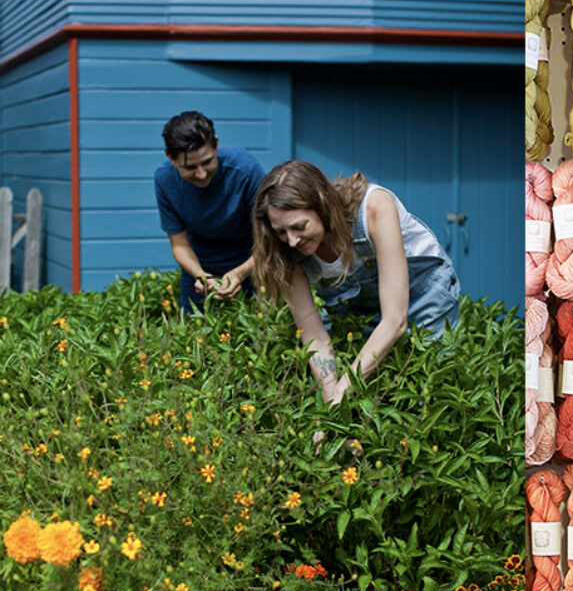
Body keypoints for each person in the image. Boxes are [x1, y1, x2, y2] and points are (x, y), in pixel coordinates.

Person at [251, 160, 460, 404]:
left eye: (299, 227)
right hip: (361, 303)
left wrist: (343, 390)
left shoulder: (374, 208)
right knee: (373, 392)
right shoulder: (286, 250)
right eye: (281, 232)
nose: (292, 241)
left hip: (424, 291)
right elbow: (314, 337)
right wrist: (332, 401)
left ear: (322, 205)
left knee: (425, 392)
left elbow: (394, 321)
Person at [154, 111, 267, 313]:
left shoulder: (246, 170)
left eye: (207, 162)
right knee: (192, 334)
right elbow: (179, 244)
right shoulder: (165, 180)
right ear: (171, 158)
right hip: (199, 265)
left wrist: (240, 274)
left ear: (215, 144)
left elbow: (270, 239)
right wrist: (201, 276)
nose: (201, 174)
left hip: (252, 260)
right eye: (190, 167)